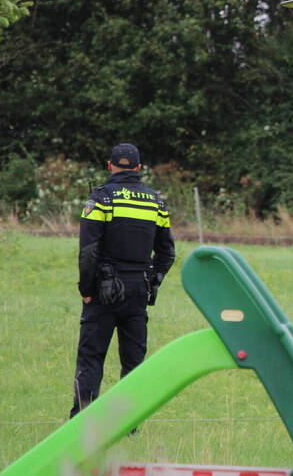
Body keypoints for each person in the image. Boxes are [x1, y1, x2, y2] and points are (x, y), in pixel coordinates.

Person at [71, 143, 176, 417]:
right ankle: (128, 424)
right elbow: (167, 253)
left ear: (110, 166)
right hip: (138, 290)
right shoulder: (156, 201)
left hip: (103, 291)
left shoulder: (101, 198)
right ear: (139, 168)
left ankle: (82, 423)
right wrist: (151, 283)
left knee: (91, 357)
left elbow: (89, 251)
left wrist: (87, 289)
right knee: (134, 363)